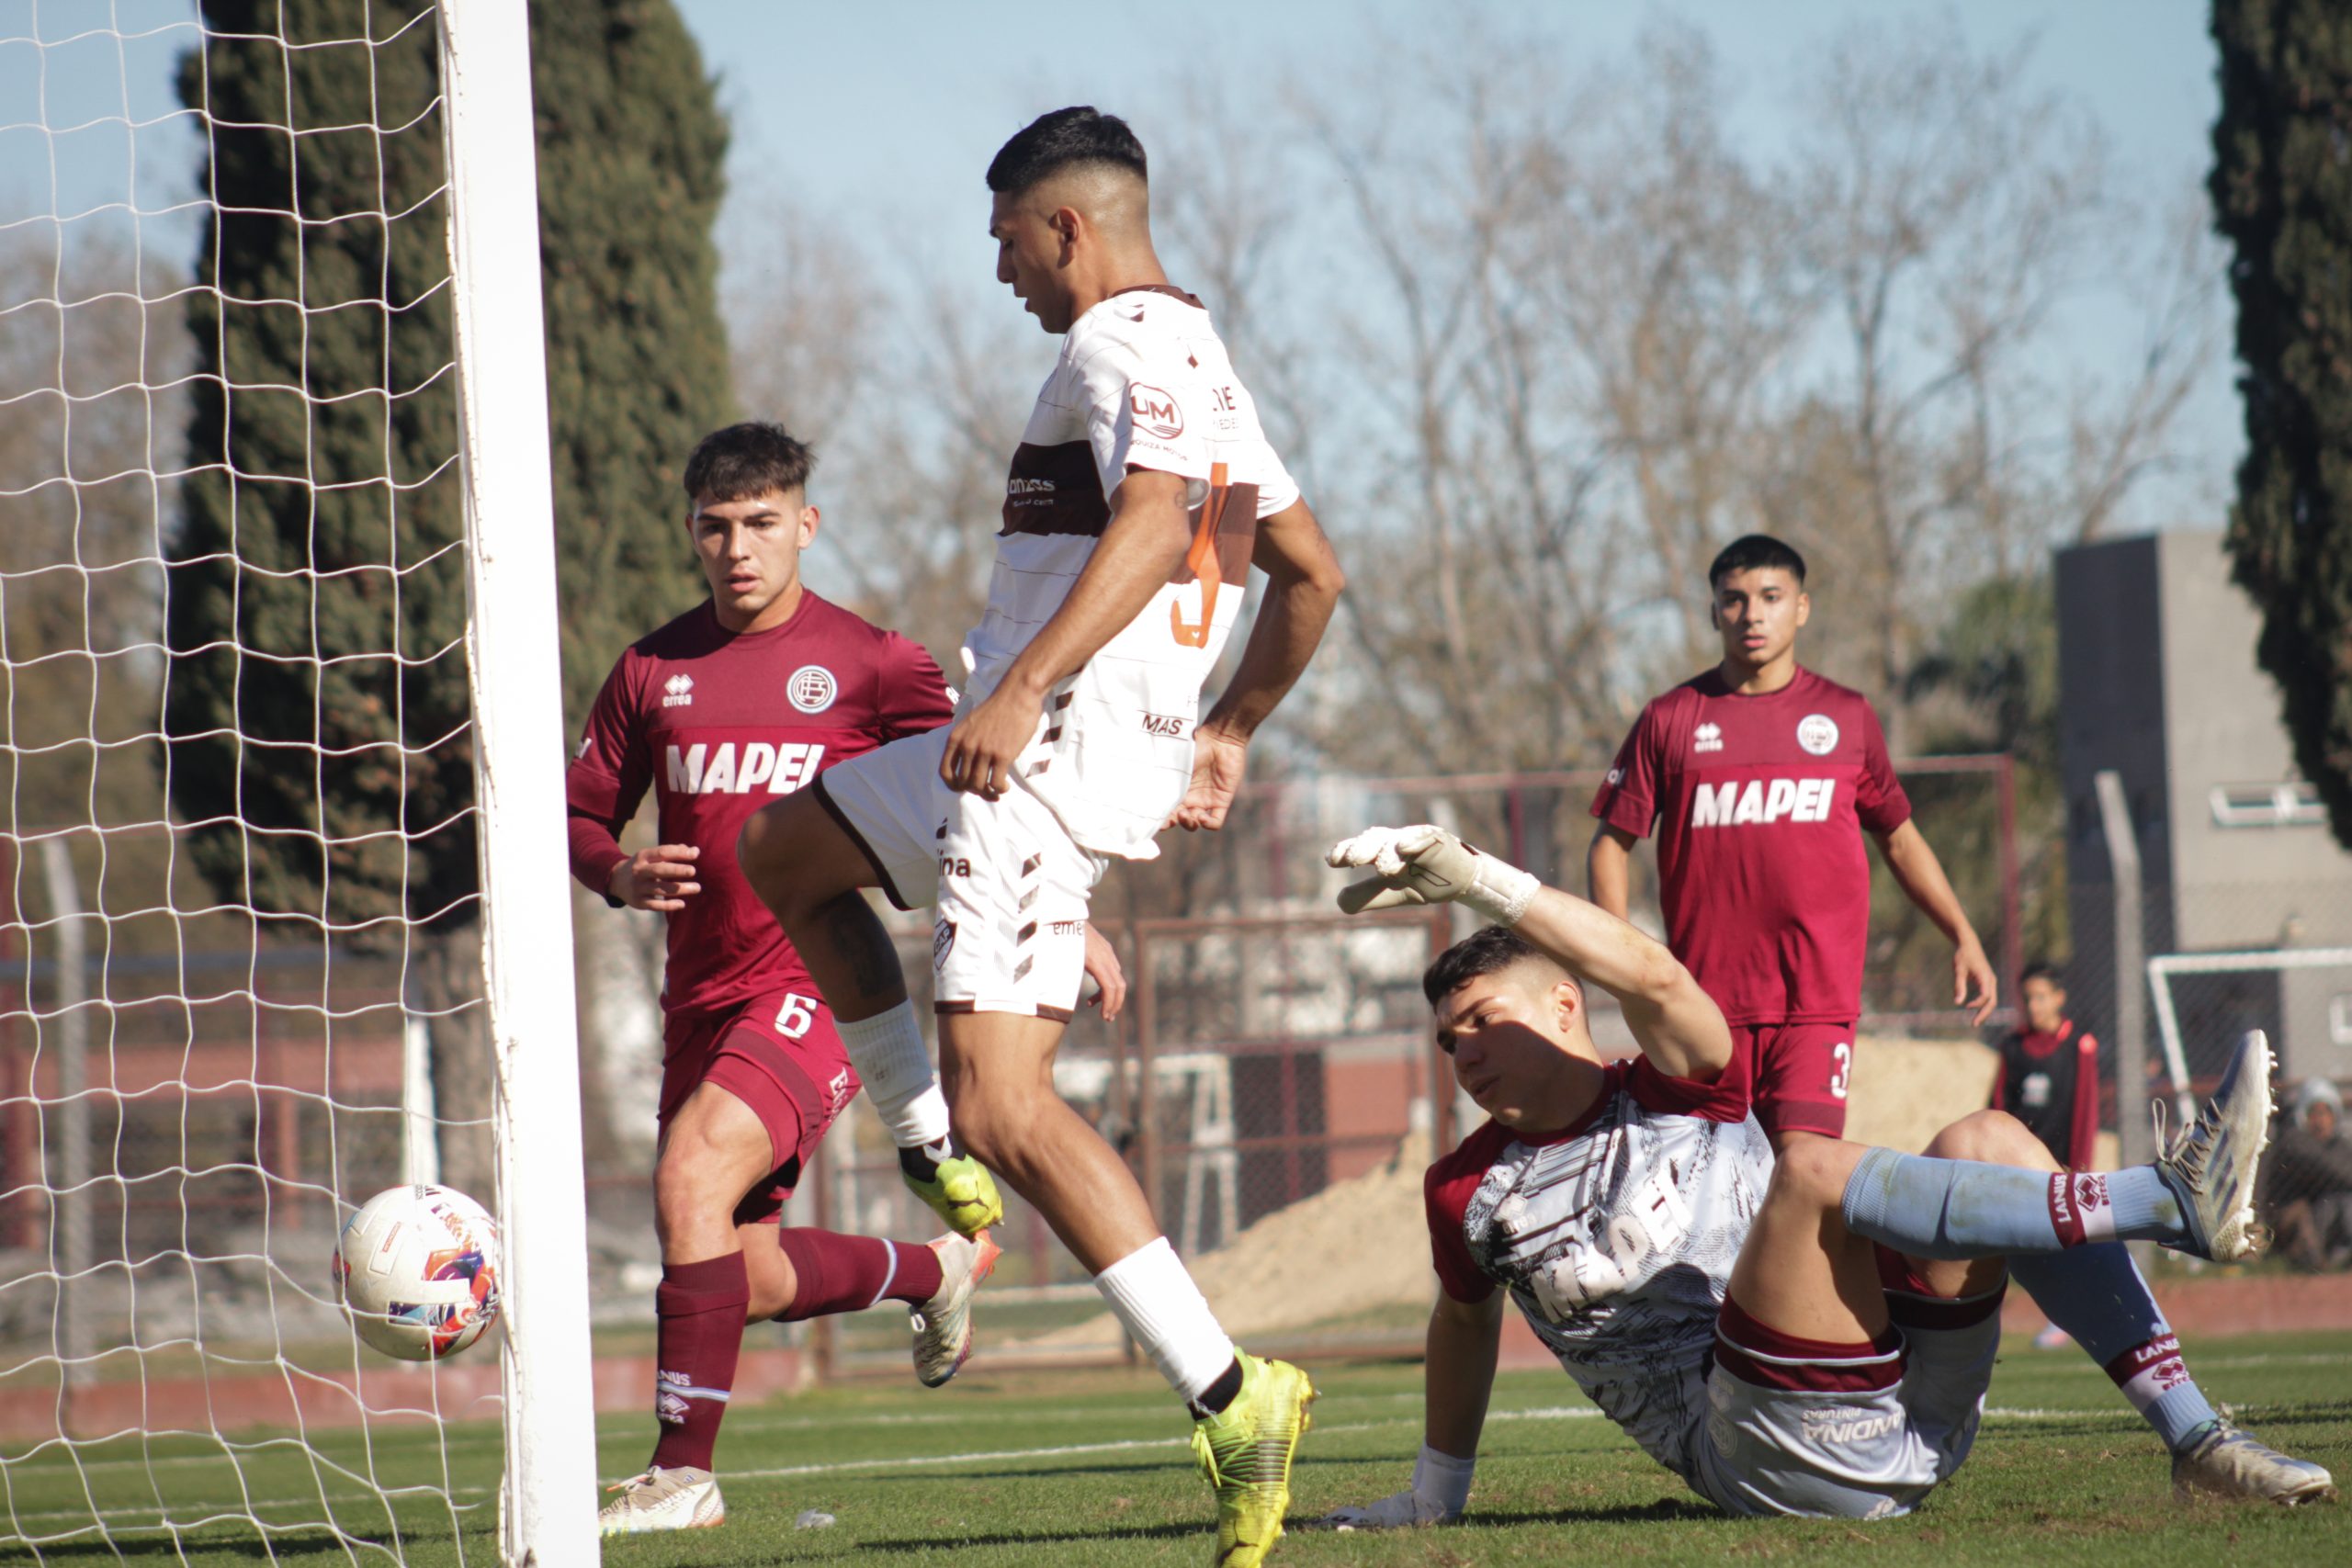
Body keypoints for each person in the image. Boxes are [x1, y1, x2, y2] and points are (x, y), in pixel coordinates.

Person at [736, 108, 1345, 1567]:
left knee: (1015, 1104)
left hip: (1032, 761)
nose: (995, 261)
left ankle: (1230, 1389)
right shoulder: (1210, 365)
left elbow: (1153, 514)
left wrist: (1022, 685)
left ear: (1065, 226)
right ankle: (931, 1152)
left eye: (1005, 232)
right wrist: (1231, 725)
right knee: (786, 853)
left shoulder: (1113, 344)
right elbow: (1312, 573)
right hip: (1033, 750)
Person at [1317, 823, 2333, 1529]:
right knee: (1805, 1168)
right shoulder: (1464, 1188)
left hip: (1908, 1405)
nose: (1465, 1053)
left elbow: (1659, 977)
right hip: (1759, 1456)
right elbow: (1459, 1327)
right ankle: (2160, 1201)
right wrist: (1434, 1495)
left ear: (1565, 1009)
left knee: (1987, 1137)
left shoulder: (1681, 1086)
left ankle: (2196, 1441)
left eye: (1484, 1020)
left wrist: (1477, 879)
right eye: (1449, 1041)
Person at [570, 423, 1048, 1535]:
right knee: (743, 1270)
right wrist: (616, 867)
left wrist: (1059, 919)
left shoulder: (877, 662)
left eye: (761, 525)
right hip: (697, 993)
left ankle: (680, 1478)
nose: (738, 548)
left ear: (806, 526)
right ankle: (932, 1274)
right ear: (692, 532)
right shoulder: (652, 669)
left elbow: (979, 797)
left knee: (691, 1175)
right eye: (716, 527)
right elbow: (579, 807)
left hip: (823, 983)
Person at [1586, 535, 1996, 1149]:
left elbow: (1900, 838)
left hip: (1815, 1003)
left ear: (1801, 607)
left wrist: (1961, 932)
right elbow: (1609, 845)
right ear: (1713, 612)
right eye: (1734, 599)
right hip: (1705, 1006)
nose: (1752, 613)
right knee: (1716, 1189)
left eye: (1770, 597)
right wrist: (1624, 967)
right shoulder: (1671, 719)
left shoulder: (1847, 716)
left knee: (1804, 1168)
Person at [1994, 963, 2102, 1172]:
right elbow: (1998, 1106)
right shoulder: (2012, 1046)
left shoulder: (2079, 1047)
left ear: (2059, 998)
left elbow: (2085, 1115)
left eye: (2040, 997)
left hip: (2060, 1168)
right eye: (2027, 999)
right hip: (2018, 1165)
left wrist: (2078, 1172)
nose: (2033, 1006)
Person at [2267, 1079, 2352, 1272]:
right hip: (2297, 1221)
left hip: (2331, 1216)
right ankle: (2314, 1263)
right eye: (2313, 1113)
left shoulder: (2340, 1146)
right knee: (2329, 1204)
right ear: (2303, 1116)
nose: (2319, 1120)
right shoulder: (2297, 1146)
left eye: (2325, 1113)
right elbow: (2333, 1172)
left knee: (2345, 1202)